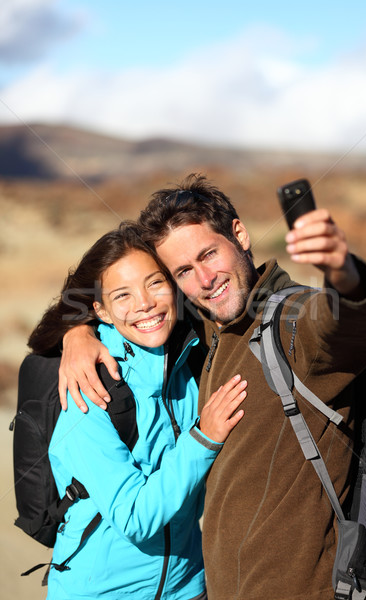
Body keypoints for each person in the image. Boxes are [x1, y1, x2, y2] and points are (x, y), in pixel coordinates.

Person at [56, 174, 366, 600]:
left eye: (209, 254)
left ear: (240, 234)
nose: (205, 279)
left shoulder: (291, 324)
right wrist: (77, 333)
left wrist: (344, 272)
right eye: (183, 272)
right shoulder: (203, 335)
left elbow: (346, 325)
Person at [28, 221, 247, 600]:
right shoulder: (87, 391)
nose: (144, 303)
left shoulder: (190, 362)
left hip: (189, 585)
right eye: (123, 295)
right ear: (102, 312)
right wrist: (204, 439)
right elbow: (134, 517)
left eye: (155, 283)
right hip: (101, 592)